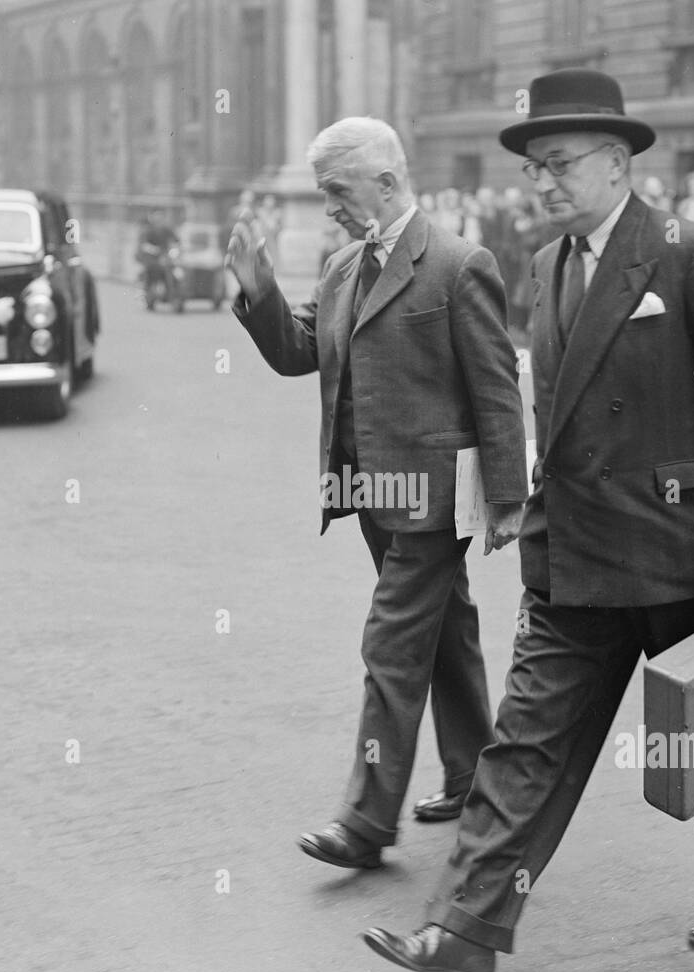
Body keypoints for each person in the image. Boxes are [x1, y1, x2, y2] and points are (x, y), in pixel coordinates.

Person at [364, 68, 694, 972]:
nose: (544, 184)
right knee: (526, 747)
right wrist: (514, 500)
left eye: (558, 165)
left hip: (681, 558)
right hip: (575, 561)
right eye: (532, 170)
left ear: (618, 161)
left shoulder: (689, 254)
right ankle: (466, 930)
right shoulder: (547, 265)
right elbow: (543, 408)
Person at [224, 116, 528, 870]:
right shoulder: (339, 268)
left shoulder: (459, 263)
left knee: (391, 644)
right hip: (367, 492)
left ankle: (365, 821)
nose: (329, 206)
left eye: (338, 190)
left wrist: (509, 494)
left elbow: (495, 387)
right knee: (446, 632)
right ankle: (472, 775)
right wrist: (259, 293)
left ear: (388, 184)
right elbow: (301, 354)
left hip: (431, 500)